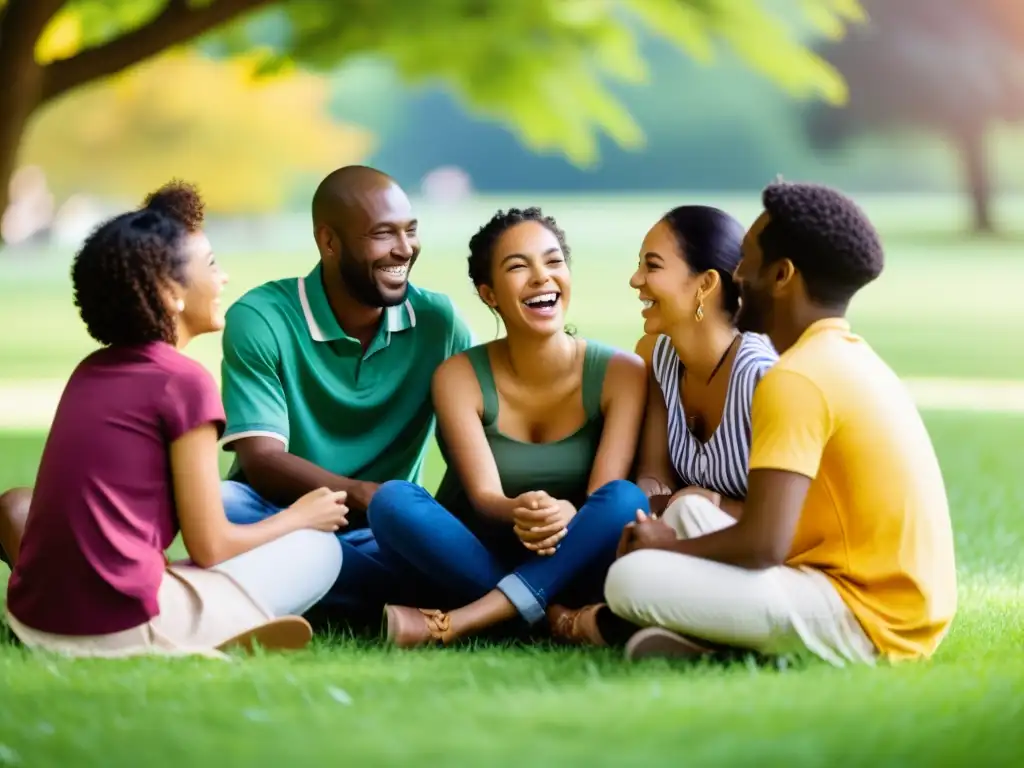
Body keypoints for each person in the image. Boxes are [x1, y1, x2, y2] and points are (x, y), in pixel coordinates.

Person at [605, 181, 958, 666]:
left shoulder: (792, 378)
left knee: (629, 580)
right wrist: (674, 535)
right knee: (687, 513)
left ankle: (764, 648)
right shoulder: (841, 355)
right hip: (848, 584)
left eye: (746, 259)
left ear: (781, 274)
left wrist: (664, 548)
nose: (737, 274)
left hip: (872, 618)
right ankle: (721, 649)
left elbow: (762, 543)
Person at [0, 182, 346, 659]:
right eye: (210, 266)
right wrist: (299, 517)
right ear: (169, 292)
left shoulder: (89, 371)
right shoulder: (184, 382)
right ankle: (192, 634)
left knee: (20, 503)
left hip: (34, 619)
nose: (223, 278)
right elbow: (211, 545)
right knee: (320, 549)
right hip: (124, 626)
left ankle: (193, 616)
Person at [366, 207, 649, 647]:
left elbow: (604, 494)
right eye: (518, 267)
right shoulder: (458, 376)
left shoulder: (621, 372)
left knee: (626, 498)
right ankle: (555, 619)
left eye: (553, 262)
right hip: (478, 555)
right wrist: (521, 509)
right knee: (392, 500)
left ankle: (462, 622)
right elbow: (484, 499)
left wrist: (569, 512)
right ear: (489, 294)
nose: (541, 277)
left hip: (571, 553)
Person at [218, 166, 474, 624]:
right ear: (329, 242)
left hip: (381, 531)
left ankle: (298, 587)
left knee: (433, 539)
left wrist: (426, 524)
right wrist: (361, 494)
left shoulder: (440, 322)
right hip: (278, 518)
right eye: (382, 234)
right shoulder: (262, 317)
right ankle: (391, 597)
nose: (404, 249)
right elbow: (261, 459)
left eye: (410, 231)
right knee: (218, 504)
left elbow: (471, 448)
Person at [545, 205, 778, 645]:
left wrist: (706, 503)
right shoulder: (658, 353)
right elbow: (654, 474)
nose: (636, 280)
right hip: (685, 539)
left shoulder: (760, 377)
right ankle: (694, 636)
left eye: (651, 266)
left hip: (763, 558)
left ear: (705, 284)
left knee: (679, 524)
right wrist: (650, 515)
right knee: (631, 552)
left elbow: (789, 521)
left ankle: (594, 623)